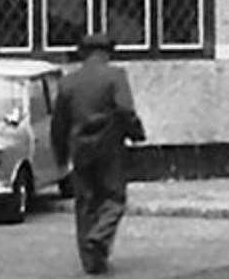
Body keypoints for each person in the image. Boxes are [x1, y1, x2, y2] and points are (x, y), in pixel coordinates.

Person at [51, 32, 147, 275]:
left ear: (83, 53)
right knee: (114, 199)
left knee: (85, 203)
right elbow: (125, 109)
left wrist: (60, 155)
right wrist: (136, 132)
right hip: (109, 148)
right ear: (107, 53)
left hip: (80, 149)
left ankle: (91, 262)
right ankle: (99, 236)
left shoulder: (68, 82)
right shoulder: (115, 76)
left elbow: (59, 123)